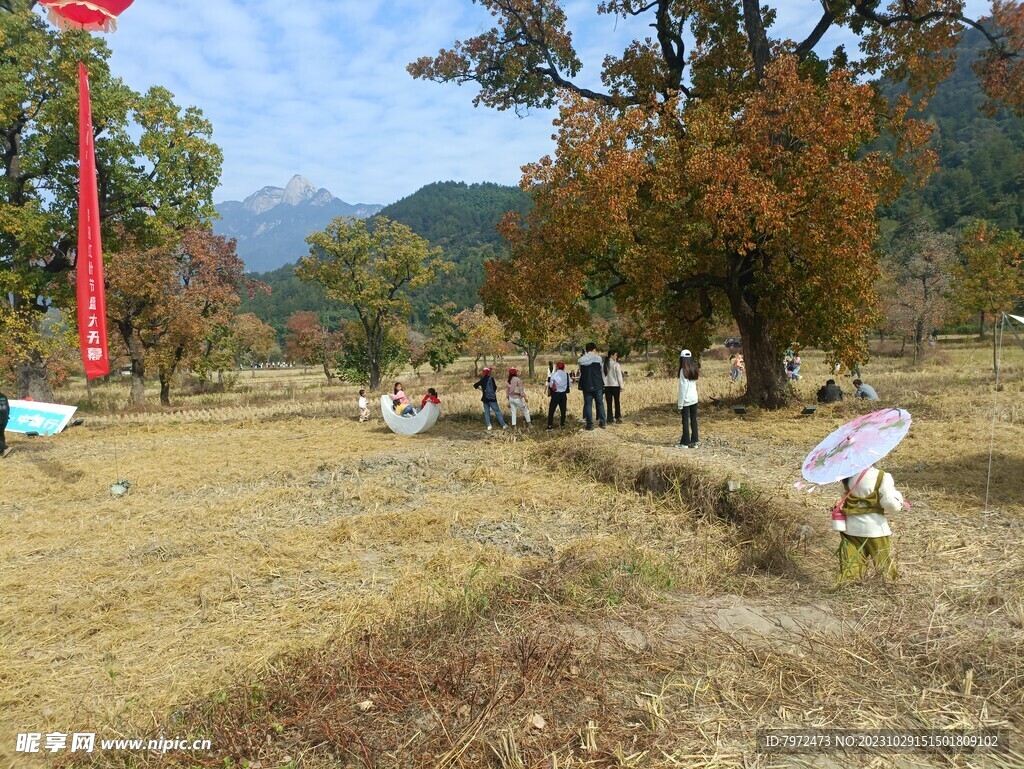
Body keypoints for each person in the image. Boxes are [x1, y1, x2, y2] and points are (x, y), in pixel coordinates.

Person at [836, 465, 903, 582]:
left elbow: (843, 496)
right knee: (883, 563)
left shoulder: (847, 477)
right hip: (875, 528)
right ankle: (889, 586)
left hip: (851, 528)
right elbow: (890, 503)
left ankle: (848, 587)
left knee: (852, 564)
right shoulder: (882, 476)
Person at [578, 342, 607, 430]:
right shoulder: (598, 358)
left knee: (588, 405)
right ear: (594, 350)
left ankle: (590, 425)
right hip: (597, 384)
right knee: (600, 404)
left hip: (586, 384)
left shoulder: (580, 360)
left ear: (586, 350)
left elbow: (581, 372)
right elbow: (601, 371)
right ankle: (602, 423)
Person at [677, 349, 699, 448]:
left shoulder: (683, 371)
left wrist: (680, 403)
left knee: (685, 420)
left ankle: (685, 442)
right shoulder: (693, 368)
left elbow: (683, 388)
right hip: (694, 398)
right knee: (694, 420)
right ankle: (694, 442)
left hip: (686, 399)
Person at [602, 350, 625, 424]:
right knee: (616, 402)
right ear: (611, 355)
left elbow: (602, 376)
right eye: (615, 355)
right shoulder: (616, 364)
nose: (616, 357)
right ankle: (617, 417)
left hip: (606, 386)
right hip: (615, 386)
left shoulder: (603, 364)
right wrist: (621, 386)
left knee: (609, 403)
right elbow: (619, 376)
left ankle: (609, 419)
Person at [547, 362, 570, 430]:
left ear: (557, 367)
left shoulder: (553, 375)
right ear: (563, 367)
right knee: (563, 410)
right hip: (563, 394)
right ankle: (562, 425)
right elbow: (570, 384)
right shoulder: (566, 375)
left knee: (551, 410)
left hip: (555, 394)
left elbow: (551, 385)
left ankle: (550, 425)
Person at [0, 390, 9, 458]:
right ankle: (2, 451)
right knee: (1, 435)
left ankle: (5, 447)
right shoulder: (4, 397)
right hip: (4, 419)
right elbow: (8, 408)